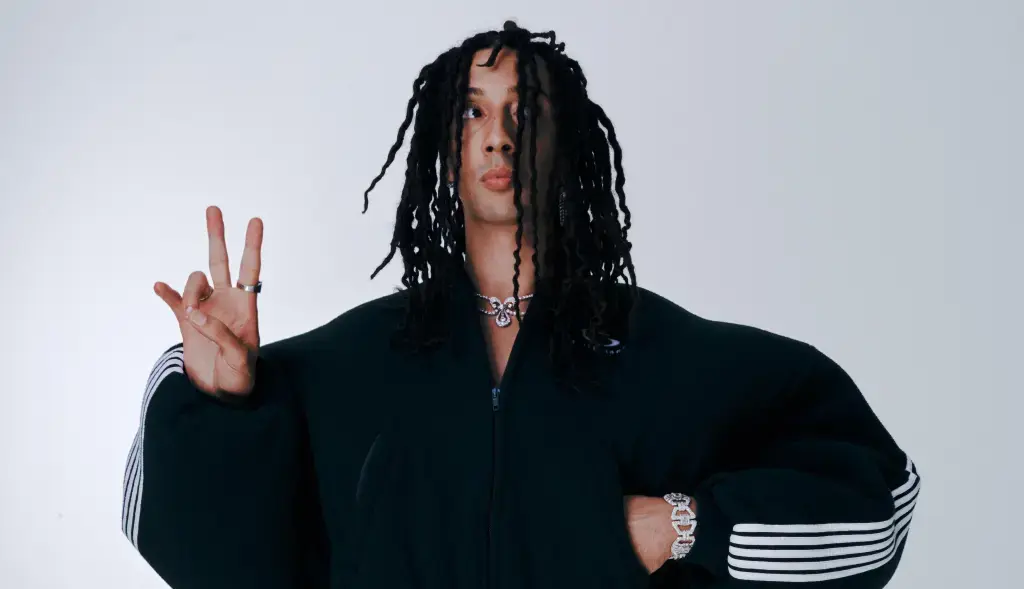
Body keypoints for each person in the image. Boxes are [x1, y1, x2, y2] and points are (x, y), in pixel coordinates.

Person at [121, 21, 920, 589]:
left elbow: (878, 502)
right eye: (473, 110)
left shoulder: (658, 352)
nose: (499, 135)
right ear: (446, 146)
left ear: (561, 143)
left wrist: (686, 523)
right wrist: (220, 406)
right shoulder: (357, 361)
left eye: (524, 111)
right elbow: (198, 544)